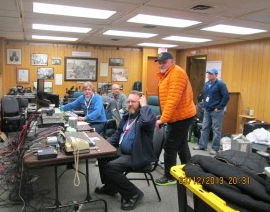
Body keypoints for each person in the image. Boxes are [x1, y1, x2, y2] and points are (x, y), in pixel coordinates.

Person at [95, 91, 156, 211]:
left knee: (111, 167)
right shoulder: (127, 116)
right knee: (102, 156)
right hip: (124, 152)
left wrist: (144, 106)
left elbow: (147, 122)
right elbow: (118, 134)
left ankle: (134, 194)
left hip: (138, 155)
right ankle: (110, 187)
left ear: (140, 102)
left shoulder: (147, 117)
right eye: (128, 101)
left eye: (133, 102)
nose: (130, 104)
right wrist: (104, 146)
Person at [154, 52, 196, 186]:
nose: (161, 64)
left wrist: (163, 119)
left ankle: (170, 176)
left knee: (170, 147)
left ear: (172, 61)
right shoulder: (167, 74)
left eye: (164, 62)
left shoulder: (177, 73)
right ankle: (189, 172)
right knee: (182, 146)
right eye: (159, 62)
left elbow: (173, 100)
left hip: (181, 117)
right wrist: (164, 117)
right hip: (178, 116)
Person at [193, 68, 229, 155]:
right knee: (204, 128)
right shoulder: (206, 84)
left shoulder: (221, 84)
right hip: (207, 110)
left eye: (211, 74)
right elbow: (205, 96)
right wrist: (205, 105)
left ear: (216, 75)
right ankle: (202, 145)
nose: (209, 75)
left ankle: (215, 148)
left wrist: (219, 107)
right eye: (208, 74)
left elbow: (226, 97)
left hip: (216, 111)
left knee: (216, 130)